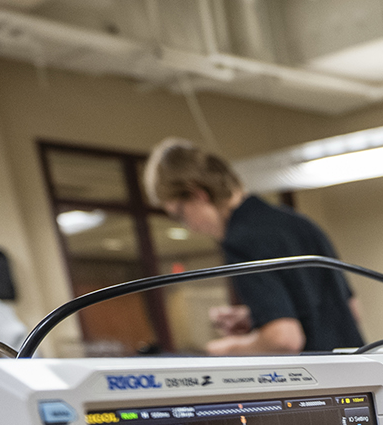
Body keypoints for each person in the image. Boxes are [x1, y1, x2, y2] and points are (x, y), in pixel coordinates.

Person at [143, 138, 363, 356]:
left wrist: (226, 348)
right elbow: (350, 311)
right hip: (358, 373)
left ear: (198, 195)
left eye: (180, 214)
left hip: (316, 382)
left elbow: (285, 339)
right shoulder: (301, 224)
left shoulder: (241, 240)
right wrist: (260, 316)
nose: (189, 226)